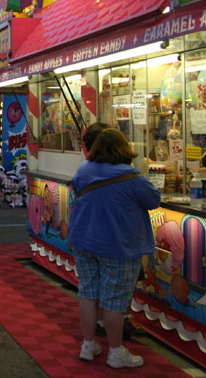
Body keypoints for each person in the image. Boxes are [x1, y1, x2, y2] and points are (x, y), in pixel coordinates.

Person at [68, 128, 160, 369]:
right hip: (118, 245)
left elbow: (78, 190)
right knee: (114, 301)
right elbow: (153, 200)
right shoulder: (131, 177)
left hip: (84, 240)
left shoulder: (84, 170)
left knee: (88, 293)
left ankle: (88, 345)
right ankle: (116, 352)